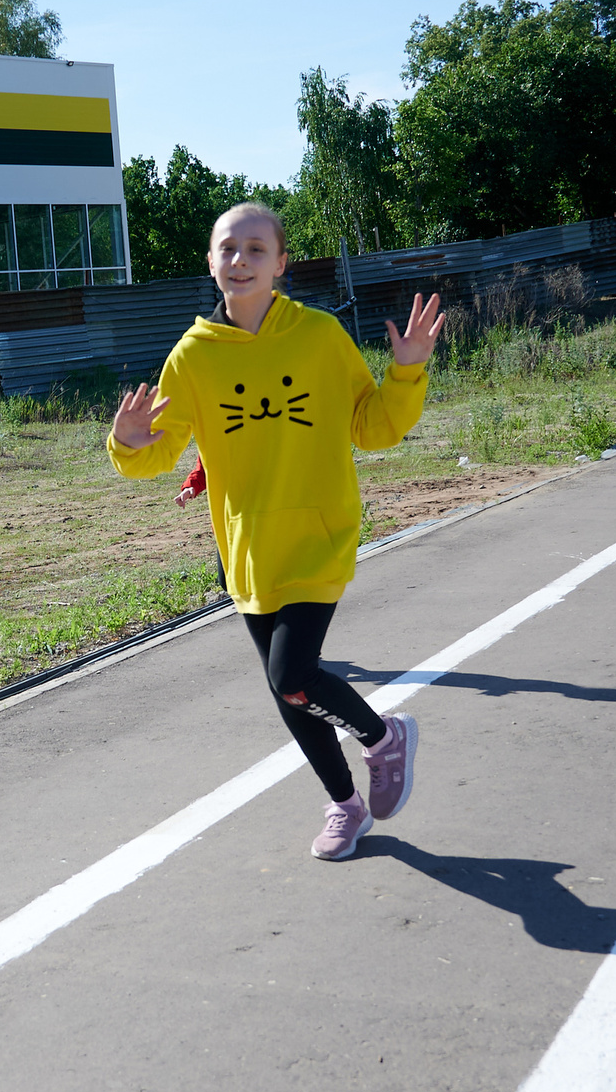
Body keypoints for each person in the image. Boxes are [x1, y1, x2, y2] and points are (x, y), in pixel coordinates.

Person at [109, 202, 443, 861]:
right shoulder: (193, 357)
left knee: (293, 674)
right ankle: (346, 805)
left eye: (257, 249)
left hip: (318, 534)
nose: (241, 260)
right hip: (247, 549)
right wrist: (126, 442)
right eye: (228, 249)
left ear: (282, 264)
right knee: (286, 690)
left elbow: (372, 427)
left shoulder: (319, 337)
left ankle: (383, 739)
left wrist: (406, 371)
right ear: (210, 263)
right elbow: (157, 452)